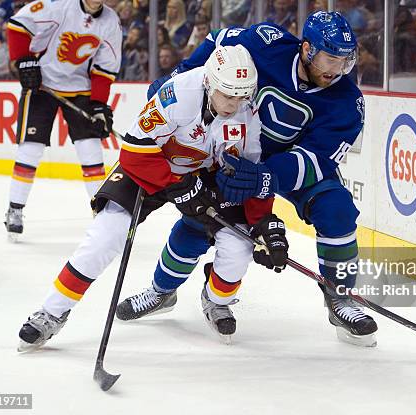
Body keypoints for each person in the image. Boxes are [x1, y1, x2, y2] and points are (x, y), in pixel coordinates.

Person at [17, 45, 289, 351]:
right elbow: (134, 154)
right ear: (209, 82)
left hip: (203, 174)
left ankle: (216, 301)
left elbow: (249, 174)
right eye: (229, 95)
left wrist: (261, 222)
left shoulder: (248, 113)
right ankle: (52, 312)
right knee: (106, 235)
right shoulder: (178, 93)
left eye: (242, 95)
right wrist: (177, 185)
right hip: (150, 166)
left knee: (239, 247)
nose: (235, 103)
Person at [147, 11, 379, 347]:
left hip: (285, 167)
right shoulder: (266, 42)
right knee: (202, 218)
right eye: (331, 59)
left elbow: (315, 160)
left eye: (346, 62)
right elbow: (217, 42)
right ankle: (161, 290)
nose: (338, 70)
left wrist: (266, 178)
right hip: (235, 149)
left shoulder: (348, 101)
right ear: (308, 49)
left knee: (337, 210)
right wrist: (179, 78)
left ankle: (340, 298)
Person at [4, 0, 122, 240]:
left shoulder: (111, 22)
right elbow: (18, 25)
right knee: (31, 149)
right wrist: (24, 59)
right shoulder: (57, 5)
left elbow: (104, 68)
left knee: (91, 151)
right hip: (42, 85)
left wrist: (99, 104)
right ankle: (15, 209)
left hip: (81, 89)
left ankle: (100, 214)